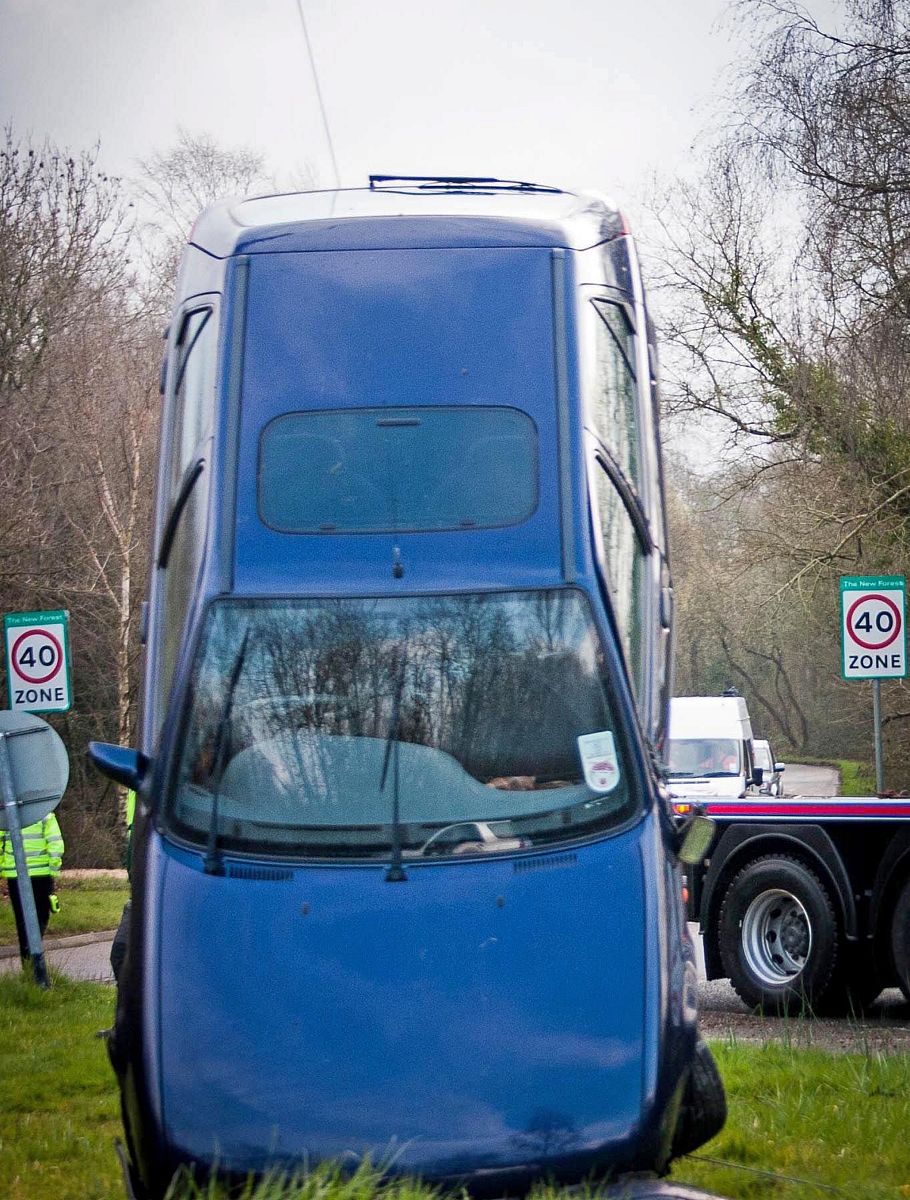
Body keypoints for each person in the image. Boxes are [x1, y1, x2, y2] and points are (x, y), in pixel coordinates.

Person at [0, 812, 64, 962]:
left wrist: (3, 867)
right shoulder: (44, 813)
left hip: (15, 874)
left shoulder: (6, 815)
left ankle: (28, 963)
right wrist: (54, 869)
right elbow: (55, 843)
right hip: (41, 873)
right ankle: (34, 954)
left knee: (22, 918)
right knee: (41, 913)